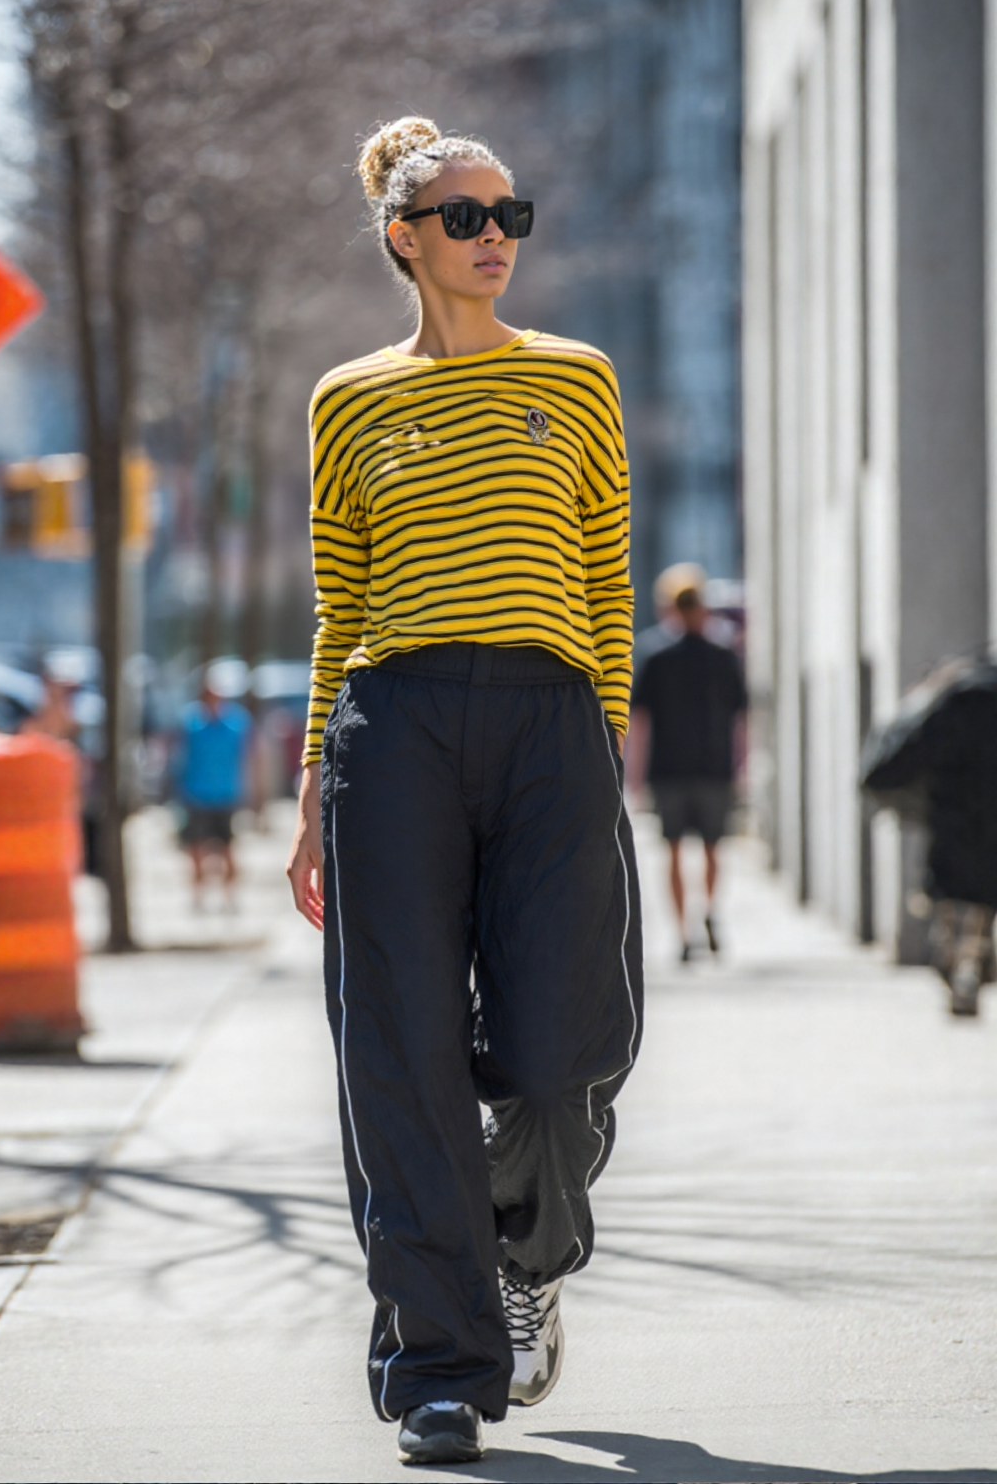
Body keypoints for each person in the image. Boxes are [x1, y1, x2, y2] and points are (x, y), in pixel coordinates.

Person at [285, 117, 643, 1468]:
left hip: (552, 721)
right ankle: (437, 1367)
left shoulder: (580, 381)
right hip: (397, 729)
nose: (496, 236)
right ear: (404, 238)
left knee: (560, 1058)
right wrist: (316, 778)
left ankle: (531, 1255)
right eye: (466, 218)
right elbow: (341, 602)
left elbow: (607, 580)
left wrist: (601, 738)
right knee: (403, 1060)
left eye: (511, 215)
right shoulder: (350, 397)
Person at [630, 581, 747, 963]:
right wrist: (741, 765)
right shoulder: (722, 655)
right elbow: (740, 719)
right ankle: (702, 916)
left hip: (672, 769)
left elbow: (639, 720)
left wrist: (633, 772)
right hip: (709, 767)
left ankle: (688, 930)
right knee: (704, 849)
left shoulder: (657, 655)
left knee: (679, 851)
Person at [175, 669, 252, 908]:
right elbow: (180, 758)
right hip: (197, 794)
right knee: (196, 850)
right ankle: (198, 898)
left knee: (228, 848)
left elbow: (247, 758)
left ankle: (230, 898)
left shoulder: (236, 723)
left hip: (226, 795)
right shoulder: (190, 722)